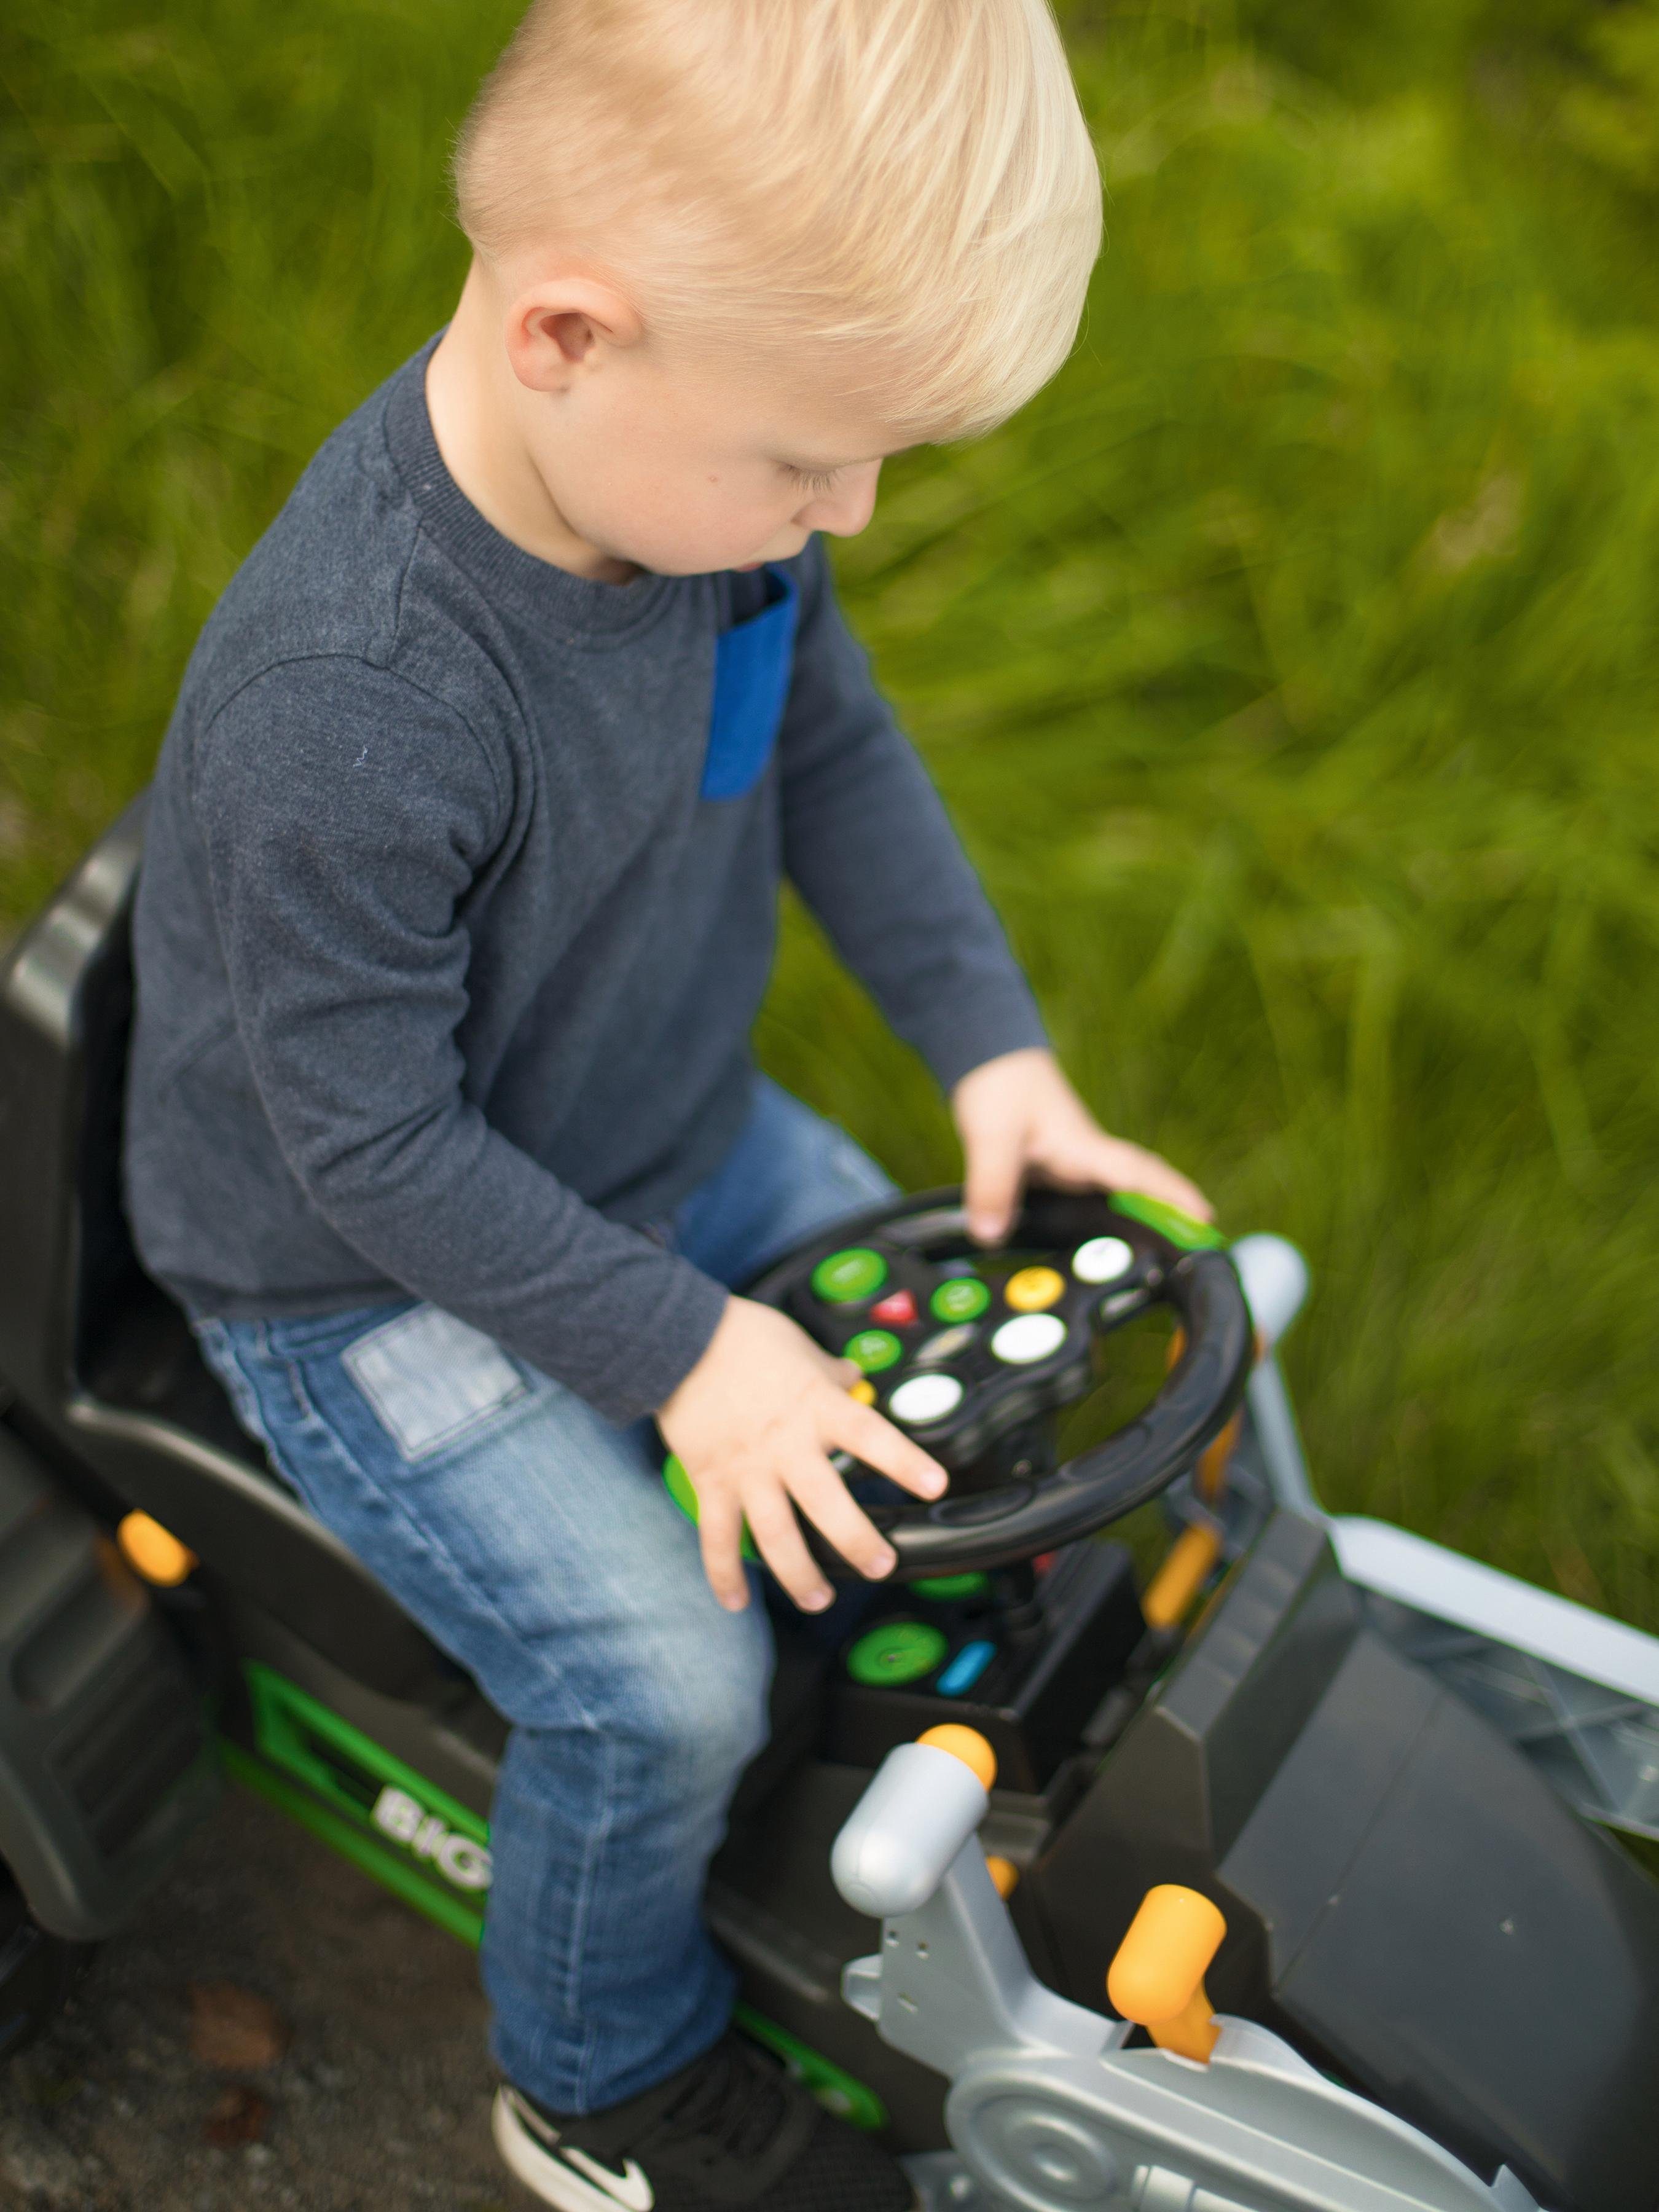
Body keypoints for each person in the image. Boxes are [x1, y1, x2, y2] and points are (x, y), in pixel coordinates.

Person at [123, 2, 1210, 2204]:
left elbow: (832, 754)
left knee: (963, 1399)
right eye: (811, 464)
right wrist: (691, 1352)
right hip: (356, 1276)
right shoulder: (355, 701)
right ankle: (596, 2073)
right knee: (664, 1684)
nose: (850, 518)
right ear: (564, 337)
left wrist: (994, 1052)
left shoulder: (700, 505)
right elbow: (372, 1145)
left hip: (658, 1137)